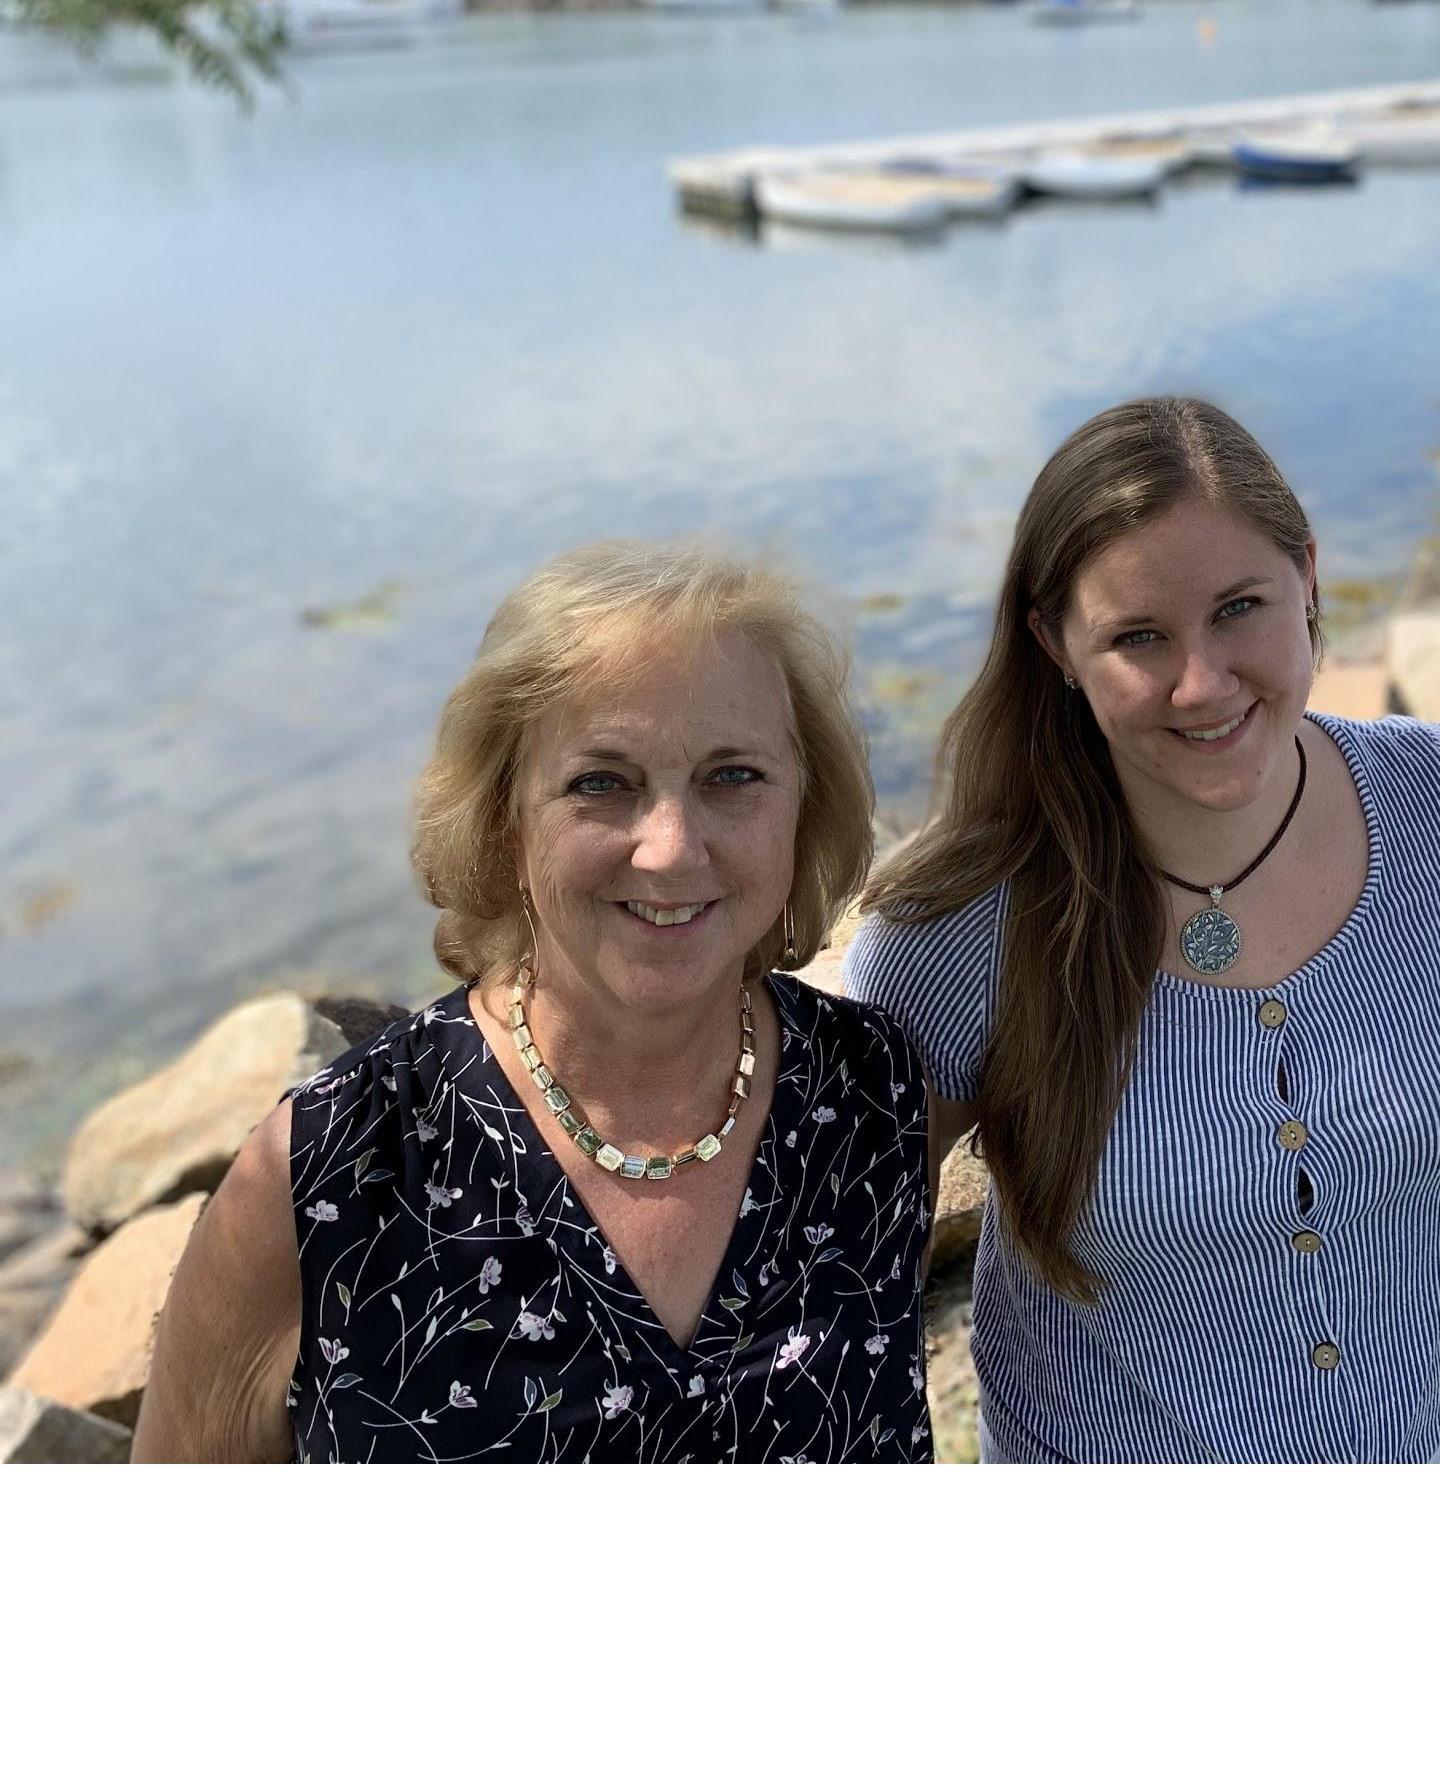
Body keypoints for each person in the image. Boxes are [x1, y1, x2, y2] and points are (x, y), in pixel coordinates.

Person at [843, 397, 1440, 1463]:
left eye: (1239, 607)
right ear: (1054, 645)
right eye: (1137, 637)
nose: (1201, 682)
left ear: (1308, 576)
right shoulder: (953, 930)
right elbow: (853, 1270)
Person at [135, 540, 932, 1463]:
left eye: (732, 776)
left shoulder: (875, 1095)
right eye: (602, 783)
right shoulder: (328, 1173)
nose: (671, 849)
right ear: (504, 821)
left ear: (806, 799)